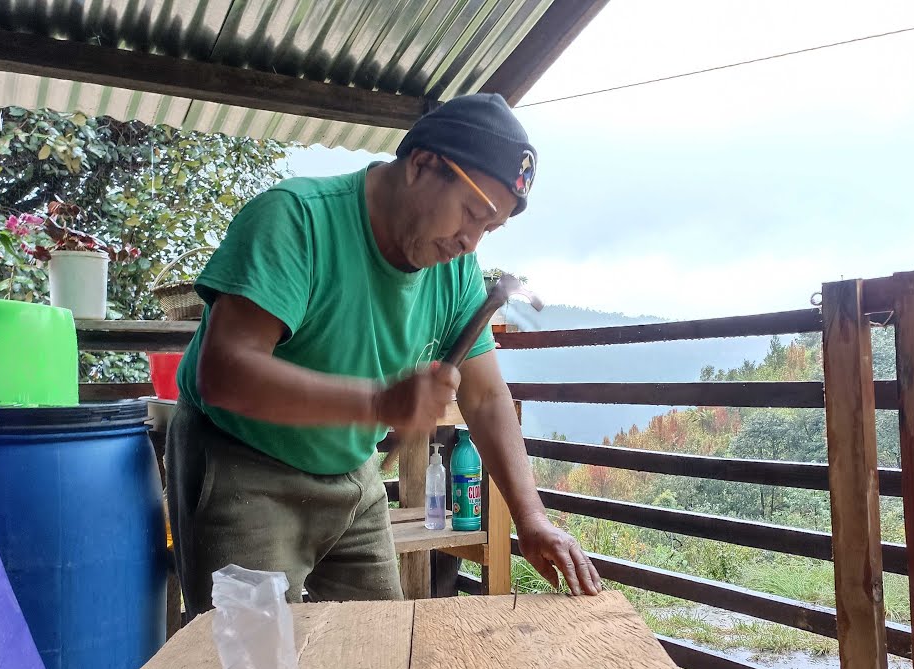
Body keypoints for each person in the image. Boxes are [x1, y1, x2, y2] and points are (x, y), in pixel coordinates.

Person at [166, 93, 602, 615]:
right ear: (421, 165)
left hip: (353, 472)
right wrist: (377, 403)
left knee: (380, 655)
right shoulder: (296, 221)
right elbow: (225, 372)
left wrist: (531, 519)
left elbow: (486, 399)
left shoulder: (457, 271)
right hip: (242, 462)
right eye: (470, 213)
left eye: (488, 229)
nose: (470, 242)